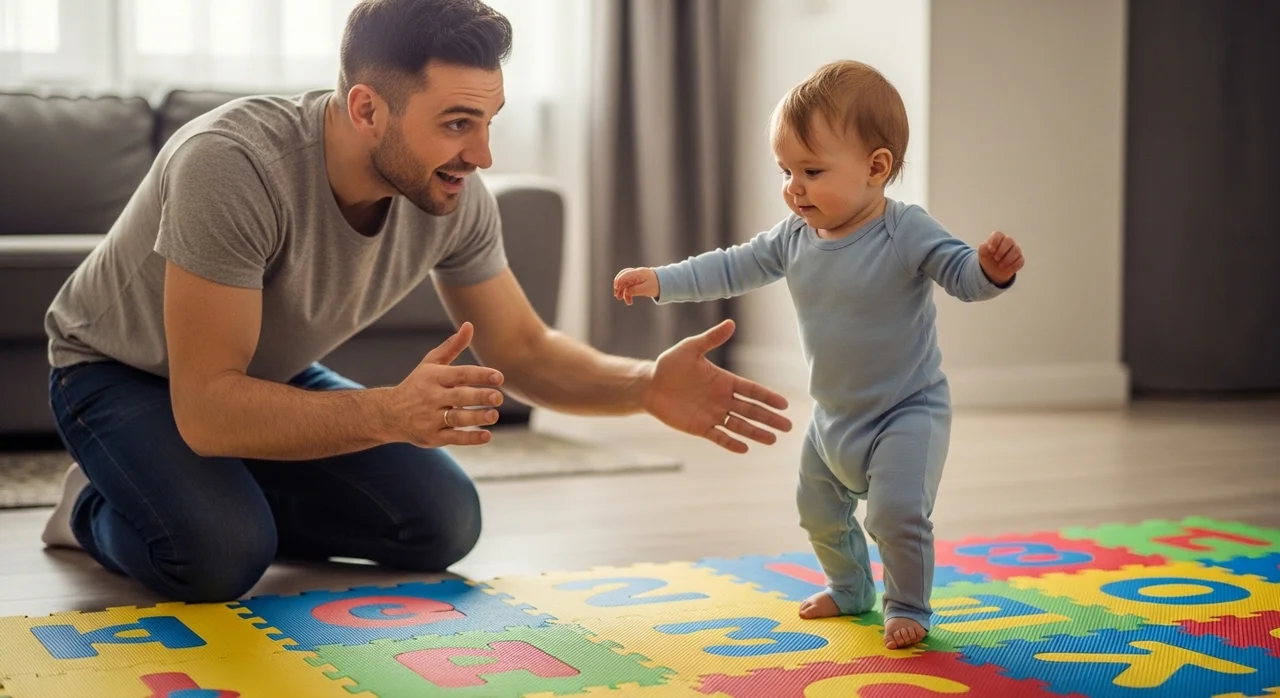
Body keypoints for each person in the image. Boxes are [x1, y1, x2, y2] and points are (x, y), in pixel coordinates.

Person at [39, 0, 792, 604]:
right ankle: (94, 508)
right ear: (367, 109)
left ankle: (224, 490)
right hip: (120, 373)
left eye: (489, 121)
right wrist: (386, 413)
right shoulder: (233, 165)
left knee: (443, 523)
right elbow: (206, 408)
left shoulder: (453, 194)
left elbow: (522, 349)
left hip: (260, 377)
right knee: (218, 558)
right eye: (458, 123)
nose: (483, 154)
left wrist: (644, 387)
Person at [612, 59, 1025, 649]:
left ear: (875, 168)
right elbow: (729, 265)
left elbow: (962, 275)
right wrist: (661, 280)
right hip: (833, 416)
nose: (793, 187)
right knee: (817, 512)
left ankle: (906, 605)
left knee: (895, 516)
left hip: (907, 410)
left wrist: (989, 270)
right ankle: (851, 589)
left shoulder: (903, 230)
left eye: (811, 170)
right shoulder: (793, 237)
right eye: (785, 170)